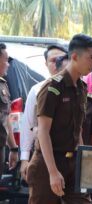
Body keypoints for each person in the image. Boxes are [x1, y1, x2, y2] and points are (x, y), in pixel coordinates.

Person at [26, 34, 92, 204]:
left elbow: (78, 129)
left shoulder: (81, 88)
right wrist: (52, 172)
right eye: (91, 57)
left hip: (73, 162)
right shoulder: (52, 87)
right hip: (47, 163)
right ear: (74, 56)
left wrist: (82, 163)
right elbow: (43, 131)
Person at [20, 44, 67, 181]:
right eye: (53, 60)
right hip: (41, 154)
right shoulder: (37, 90)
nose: (57, 64)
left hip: (69, 156)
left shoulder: (79, 89)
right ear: (46, 64)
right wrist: (24, 159)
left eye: (61, 59)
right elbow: (28, 125)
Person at [0, 43, 18, 179]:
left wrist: (13, 148)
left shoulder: (3, 85)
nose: (8, 64)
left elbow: (6, 118)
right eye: (6, 60)